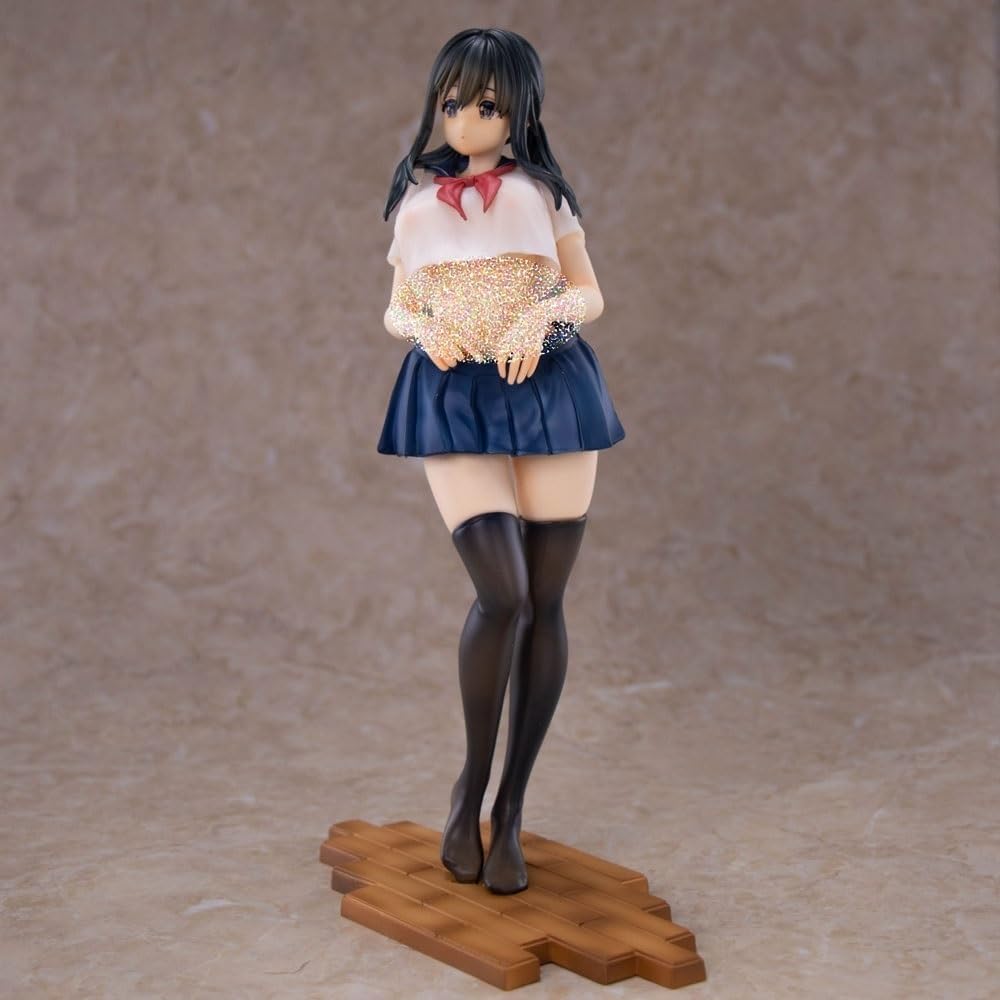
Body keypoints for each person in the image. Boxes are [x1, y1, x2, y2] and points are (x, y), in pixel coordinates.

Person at [377, 27, 626, 894]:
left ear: (519, 110)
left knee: (545, 601)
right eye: (453, 104)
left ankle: (512, 807)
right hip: (454, 395)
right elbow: (396, 308)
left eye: (486, 105)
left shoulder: (542, 195)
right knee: (504, 594)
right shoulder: (415, 209)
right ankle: (469, 788)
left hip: (549, 386)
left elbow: (589, 292)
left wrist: (543, 316)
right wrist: (425, 328)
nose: (467, 121)